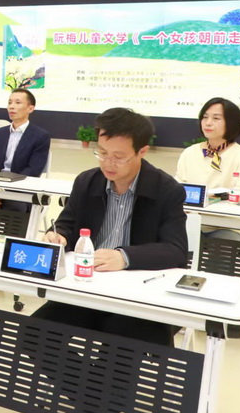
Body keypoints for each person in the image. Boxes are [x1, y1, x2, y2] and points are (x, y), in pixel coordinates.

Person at [36, 107, 188, 346]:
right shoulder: (87, 181)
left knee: (117, 352)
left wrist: (125, 257)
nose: (108, 163)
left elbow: (175, 250)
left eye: (118, 156)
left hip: (138, 299)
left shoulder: (167, 190)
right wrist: (58, 236)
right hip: (87, 290)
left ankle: (92, 373)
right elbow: (66, 224)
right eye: (103, 152)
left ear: (142, 151)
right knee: (33, 335)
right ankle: (82, 374)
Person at [175, 97, 240, 239]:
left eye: (216, 118)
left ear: (231, 123)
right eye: (205, 117)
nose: (208, 122)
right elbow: (177, 188)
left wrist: (210, 198)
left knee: (228, 243)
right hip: (190, 222)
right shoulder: (190, 152)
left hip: (226, 225)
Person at [0, 89, 51, 210]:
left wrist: (2, 192)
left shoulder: (40, 136)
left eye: (18, 103)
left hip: (20, 190)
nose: (11, 107)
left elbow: (33, 171)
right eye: (9, 102)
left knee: (16, 209)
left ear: (30, 109)